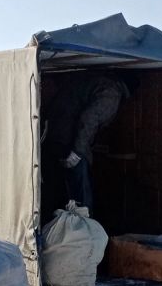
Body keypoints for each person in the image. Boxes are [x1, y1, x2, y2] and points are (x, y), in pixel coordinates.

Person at [40, 74, 129, 218]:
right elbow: (89, 118)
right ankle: (84, 233)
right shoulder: (112, 92)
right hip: (68, 143)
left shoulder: (94, 82)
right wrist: (78, 151)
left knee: (59, 191)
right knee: (80, 196)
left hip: (55, 136)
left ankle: (60, 228)